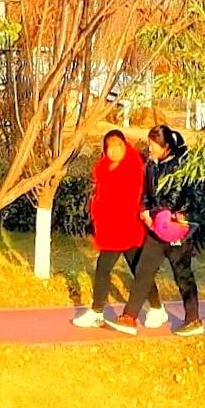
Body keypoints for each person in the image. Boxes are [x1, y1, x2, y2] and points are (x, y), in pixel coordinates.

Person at [123, 123, 204, 335]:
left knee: (182, 273)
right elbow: (147, 194)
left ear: (165, 145)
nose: (149, 148)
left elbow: (175, 198)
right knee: (143, 270)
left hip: (175, 228)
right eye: (149, 144)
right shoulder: (150, 165)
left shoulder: (180, 166)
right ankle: (129, 317)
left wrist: (158, 213)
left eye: (153, 145)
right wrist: (144, 211)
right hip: (155, 228)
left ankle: (193, 319)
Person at [75, 128, 148, 331]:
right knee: (139, 270)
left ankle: (97, 311)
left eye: (118, 145)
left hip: (126, 227)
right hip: (111, 228)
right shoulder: (103, 169)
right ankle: (157, 307)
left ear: (125, 145)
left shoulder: (134, 167)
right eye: (110, 147)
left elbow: (132, 199)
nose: (115, 150)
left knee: (107, 269)